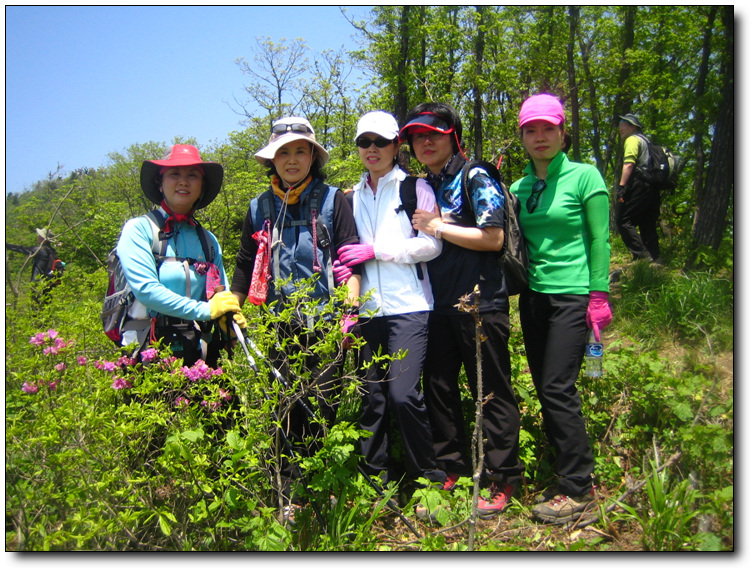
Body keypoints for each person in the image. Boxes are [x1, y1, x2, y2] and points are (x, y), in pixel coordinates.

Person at [230, 117, 361, 513]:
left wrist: (349, 313)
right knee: (284, 408)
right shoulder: (259, 207)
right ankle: (287, 492)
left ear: (312, 156)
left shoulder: (334, 199)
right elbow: (245, 260)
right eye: (283, 152)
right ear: (272, 159)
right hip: (276, 323)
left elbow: (348, 258)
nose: (292, 160)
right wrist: (234, 304)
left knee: (323, 402)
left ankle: (323, 484)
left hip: (324, 320)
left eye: (300, 151)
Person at [400, 102, 524, 518]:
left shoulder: (475, 175)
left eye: (432, 133)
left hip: (481, 304)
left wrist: (438, 227)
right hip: (437, 305)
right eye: (417, 137)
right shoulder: (425, 185)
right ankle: (451, 468)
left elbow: (493, 237)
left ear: (453, 136)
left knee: (490, 391)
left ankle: (503, 477)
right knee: (439, 387)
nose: (425, 142)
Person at [510, 94, 612, 524]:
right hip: (533, 298)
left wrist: (599, 296)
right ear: (521, 136)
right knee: (545, 386)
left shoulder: (586, 177)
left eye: (548, 128)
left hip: (573, 295)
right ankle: (564, 473)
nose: (540, 137)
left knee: (556, 387)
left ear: (562, 131)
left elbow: (600, 239)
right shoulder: (518, 187)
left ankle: (578, 489)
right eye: (530, 130)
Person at [336, 110, 446, 497]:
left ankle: (428, 486)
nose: (372, 149)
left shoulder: (415, 189)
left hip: (409, 307)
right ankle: (377, 488)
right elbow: (346, 258)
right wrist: (348, 311)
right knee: (373, 399)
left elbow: (432, 244)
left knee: (403, 394)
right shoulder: (348, 198)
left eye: (380, 142)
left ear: (396, 146)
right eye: (364, 142)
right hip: (367, 312)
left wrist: (376, 250)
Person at [117, 144, 246, 368]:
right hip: (147, 352)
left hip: (200, 355)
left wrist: (228, 317)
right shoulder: (139, 230)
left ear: (202, 185)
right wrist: (207, 311)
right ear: (160, 182)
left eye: (193, 175)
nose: (183, 181)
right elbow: (147, 291)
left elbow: (219, 294)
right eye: (174, 173)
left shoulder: (208, 241)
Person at [615, 113, 662, 264]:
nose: (620, 127)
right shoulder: (647, 141)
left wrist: (621, 187)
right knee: (647, 223)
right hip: (653, 186)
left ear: (634, 126)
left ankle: (642, 256)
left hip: (640, 184)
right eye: (620, 123)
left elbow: (629, 163)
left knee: (623, 220)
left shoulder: (632, 139)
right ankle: (656, 259)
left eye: (624, 123)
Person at [6, 227, 66, 301]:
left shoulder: (40, 250)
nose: (38, 237)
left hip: (37, 285)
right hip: (48, 284)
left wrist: (6, 245)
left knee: (36, 307)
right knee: (46, 306)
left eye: (39, 236)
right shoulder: (52, 251)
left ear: (42, 238)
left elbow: (23, 249)